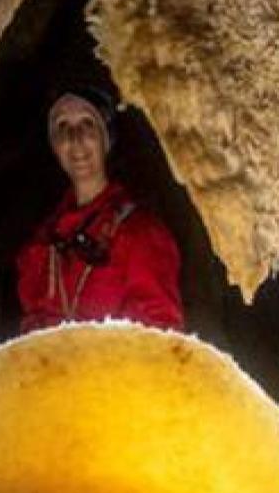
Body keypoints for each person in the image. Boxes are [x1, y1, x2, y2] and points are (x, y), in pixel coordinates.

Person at [16, 85, 184, 333]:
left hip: (117, 371)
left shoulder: (141, 234)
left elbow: (159, 337)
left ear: (106, 140)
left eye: (87, 124)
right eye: (63, 127)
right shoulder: (40, 246)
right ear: (55, 147)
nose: (76, 139)